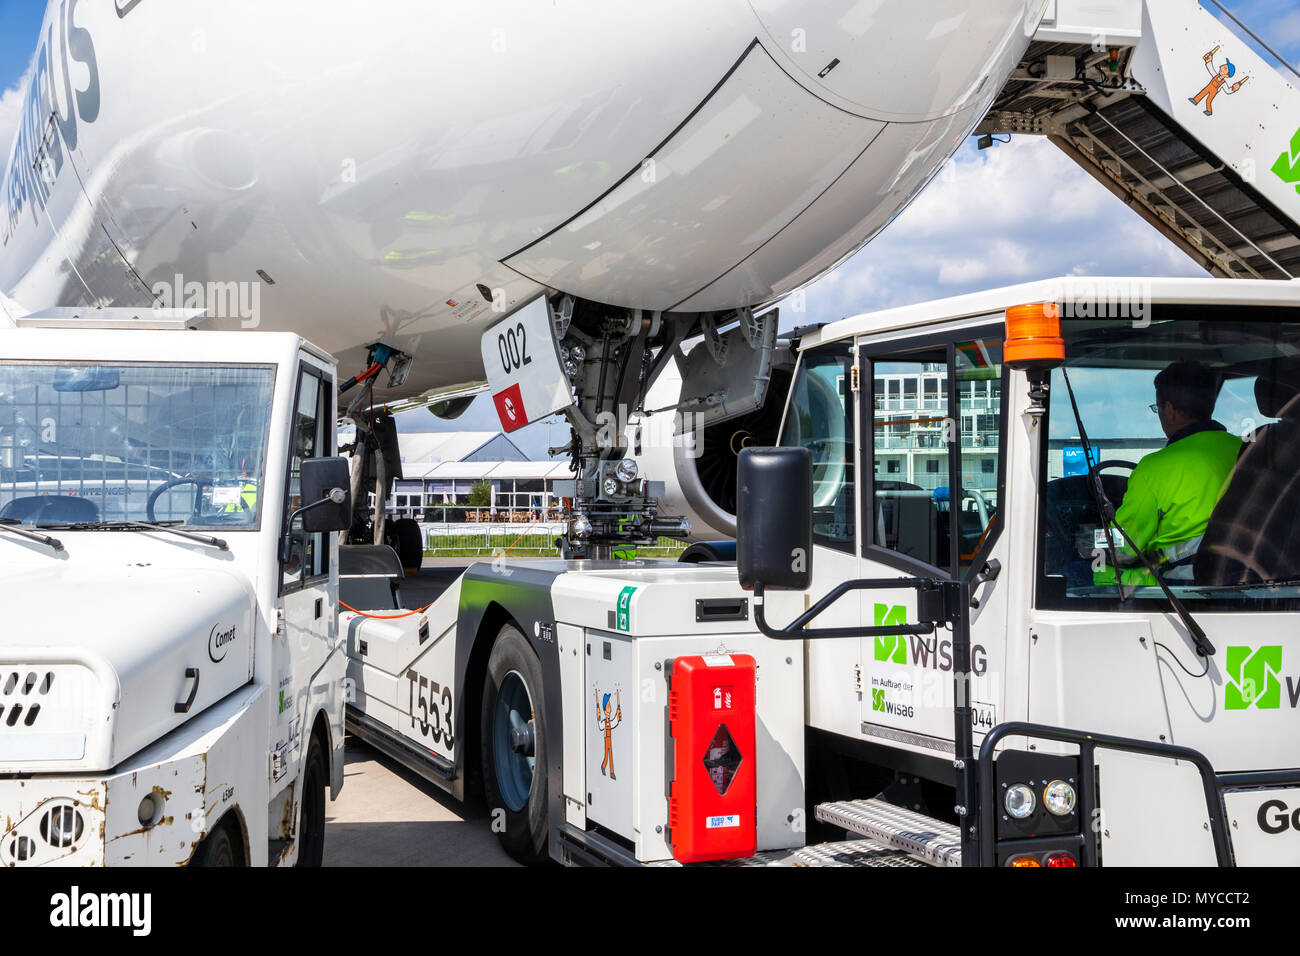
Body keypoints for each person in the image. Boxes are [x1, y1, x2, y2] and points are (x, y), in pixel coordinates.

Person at [1095, 361, 1241, 587]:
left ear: (1169, 410)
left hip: (1178, 584)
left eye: (1158, 408)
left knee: (1081, 571)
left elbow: (1124, 548)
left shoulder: (1154, 468)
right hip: (1240, 577)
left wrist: (1093, 538)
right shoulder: (1244, 450)